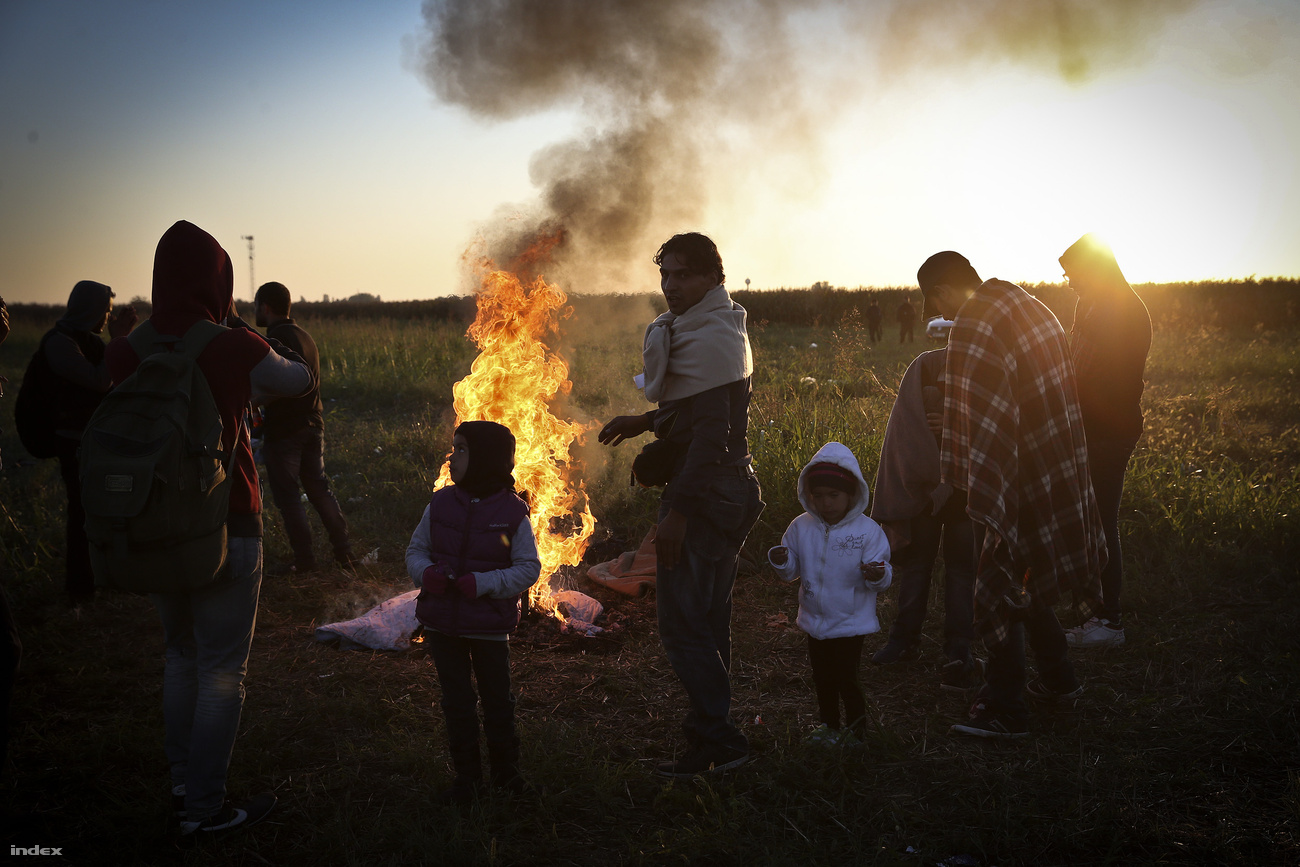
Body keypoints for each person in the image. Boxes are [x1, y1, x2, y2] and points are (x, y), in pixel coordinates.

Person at [106, 220, 316, 836]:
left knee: (179, 655)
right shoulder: (233, 345)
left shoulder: (128, 349)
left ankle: (181, 780)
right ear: (218, 281)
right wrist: (241, 329)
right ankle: (205, 809)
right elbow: (299, 381)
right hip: (228, 522)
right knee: (224, 671)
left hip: (151, 523)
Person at [916, 251, 1104, 739]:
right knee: (1030, 569)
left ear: (938, 292)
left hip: (1011, 470)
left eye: (934, 302)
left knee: (1000, 576)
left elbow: (978, 418)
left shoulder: (974, 325)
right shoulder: (1026, 304)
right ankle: (1061, 680)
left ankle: (1006, 706)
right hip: (1052, 460)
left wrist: (958, 482)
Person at [598, 232, 764, 778]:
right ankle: (716, 734)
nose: (671, 286)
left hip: (707, 491)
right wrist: (646, 421)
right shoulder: (709, 326)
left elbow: (714, 433)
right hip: (727, 486)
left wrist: (677, 514)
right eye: (665, 274)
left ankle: (719, 739)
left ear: (714, 276)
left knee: (680, 624)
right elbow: (700, 410)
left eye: (684, 274)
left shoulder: (710, 335)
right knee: (709, 617)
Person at [405, 420, 542, 804]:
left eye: (462, 449)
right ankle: (466, 780)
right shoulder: (441, 503)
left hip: (488, 630)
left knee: (498, 702)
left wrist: (483, 583)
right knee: (457, 703)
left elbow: (528, 568)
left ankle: (507, 776)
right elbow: (416, 550)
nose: (453, 456)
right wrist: (426, 573)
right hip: (442, 625)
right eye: (454, 447)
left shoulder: (513, 513)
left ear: (486, 459)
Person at [1059, 235, 1152, 648]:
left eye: (1074, 274)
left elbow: (1084, 370)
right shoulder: (1093, 304)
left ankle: (1108, 621)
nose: (1070, 283)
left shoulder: (1122, 309)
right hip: (1089, 428)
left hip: (1110, 430)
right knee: (1085, 521)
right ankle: (1086, 614)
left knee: (1100, 522)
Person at [870, 348, 980, 690]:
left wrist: (954, 424)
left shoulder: (984, 364)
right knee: (917, 565)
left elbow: (995, 421)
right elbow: (908, 422)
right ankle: (903, 640)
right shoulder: (927, 365)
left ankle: (960, 648)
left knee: (963, 569)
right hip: (924, 490)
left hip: (966, 487)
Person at [767, 443, 891, 745]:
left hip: (850, 620)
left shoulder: (868, 531)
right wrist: (782, 560)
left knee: (847, 678)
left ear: (851, 494)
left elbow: (882, 573)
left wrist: (878, 574)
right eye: (818, 495)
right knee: (822, 677)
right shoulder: (800, 527)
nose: (826, 503)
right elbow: (791, 569)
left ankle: (858, 731)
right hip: (815, 618)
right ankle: (830, 726)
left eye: (833, 495)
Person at [29, 281, 137, 604]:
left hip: (91, 439)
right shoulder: (59, 343)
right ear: (89, 310)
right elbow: (100, 380)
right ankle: (79, 585)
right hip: (71, 441)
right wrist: (117, 341)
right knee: (82, 512)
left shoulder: (85, 340)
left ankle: (100, 576)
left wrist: (115, 341)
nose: (107, 317)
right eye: (104, 311)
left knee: (99, 509)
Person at [253, 281, 356, 575]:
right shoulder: (304, 335)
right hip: (314, 423)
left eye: (256, 305)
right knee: (319, 490)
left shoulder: (276, 340)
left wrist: (257, 401)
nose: (255, 311)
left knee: (288, 497)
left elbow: (284, 386)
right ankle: (345, 553)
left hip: (286, 429)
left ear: (266, 307)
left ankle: (305, 562)